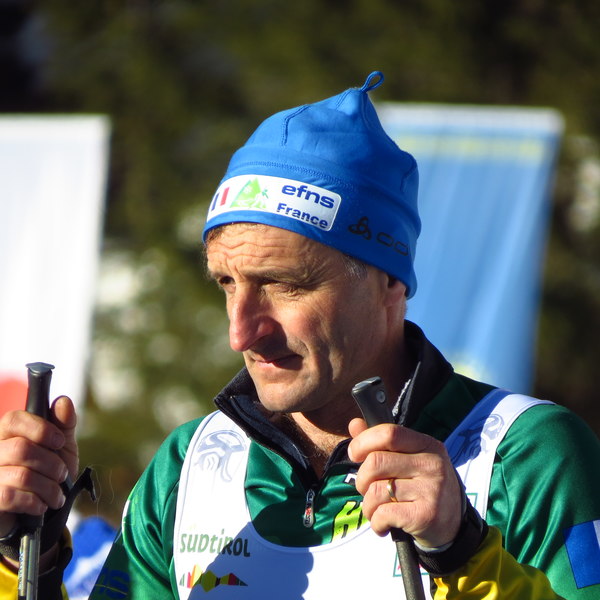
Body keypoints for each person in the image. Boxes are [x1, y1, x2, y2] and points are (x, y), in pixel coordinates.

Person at [1, 72, 600, 600]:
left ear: (389, 283)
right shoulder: (189, 464)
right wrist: (25, 555)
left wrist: (462, 552)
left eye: (284, 285)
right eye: (227, 283)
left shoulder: (525, 455)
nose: (242, 332)